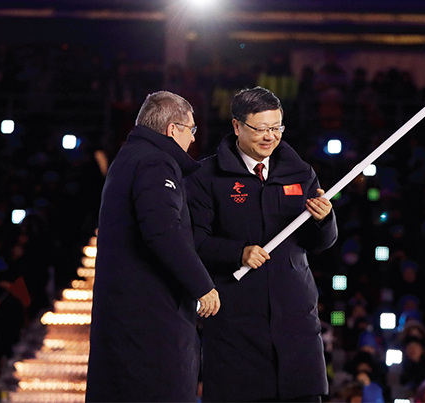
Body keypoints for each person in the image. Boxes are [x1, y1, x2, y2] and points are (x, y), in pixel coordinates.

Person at [186, 86, 337, 402]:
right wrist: (238, 252)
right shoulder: (205, 177)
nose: (270, 136)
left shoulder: (301, 172)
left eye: (276, 127)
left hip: (295, 319)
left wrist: (324, 220)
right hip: (236, 324)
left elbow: (319, 243)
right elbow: (193, 241)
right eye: (261, 129)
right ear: (237, 126)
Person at [86, 91, 220, 403]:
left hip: (126, 324)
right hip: (149, 329)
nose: (192, 139)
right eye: (192, 130)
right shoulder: (156, 161)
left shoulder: (129, 157)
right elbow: (162, 231)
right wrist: (202, 286)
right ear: (174, 130)